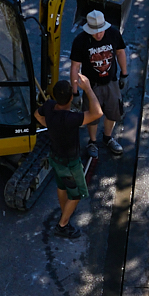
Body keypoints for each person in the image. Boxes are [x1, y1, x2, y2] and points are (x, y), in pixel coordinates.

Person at [36, 76, 102, 238]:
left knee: (62, 186)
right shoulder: (70, 119)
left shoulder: (49, 105)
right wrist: (88, 88)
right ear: (71, 98)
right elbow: (97, 113)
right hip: (70, 163)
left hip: (56, 158)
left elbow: (37, 115)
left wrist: (49, 125)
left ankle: (66, 212)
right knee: (78, 193)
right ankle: (62, 225)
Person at [69, 9, 128, 158]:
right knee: (92, 115)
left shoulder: (113, 34)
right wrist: (75, 92)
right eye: (94, 32)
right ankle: (93, 141)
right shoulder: (80, 41)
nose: (98, 34)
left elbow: (120, 52)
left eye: (100, 31)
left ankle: (108, 138)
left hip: (111, 82)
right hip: (91, 85)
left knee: (114, 111)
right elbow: (75, 67)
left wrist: (124, 74)